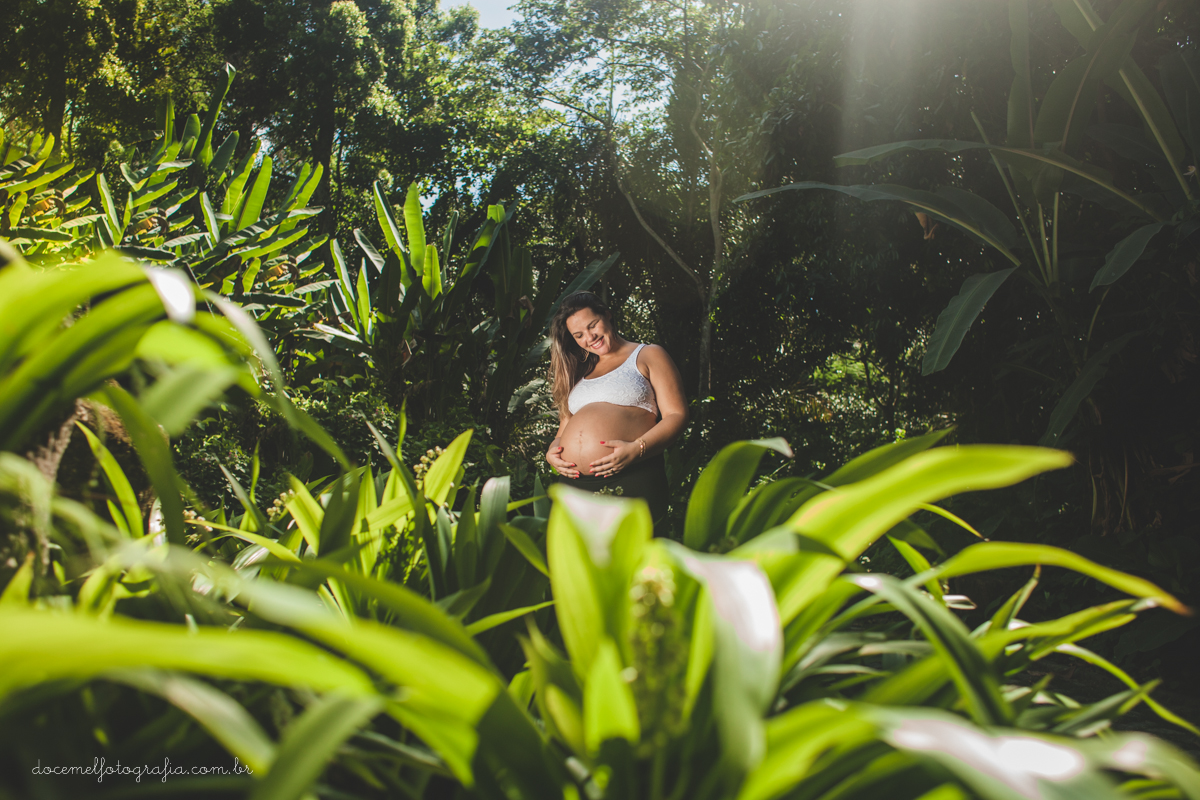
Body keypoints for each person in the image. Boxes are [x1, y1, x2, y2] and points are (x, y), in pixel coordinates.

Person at [545, 291, 687, 522]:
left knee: (637, 555)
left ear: (607, 315)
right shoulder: (579, 372)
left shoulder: (648, 354)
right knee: (575, 557)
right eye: (579, 335)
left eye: (593, 325)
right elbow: (564, 428)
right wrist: (553, 451)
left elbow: (677, 415)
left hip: (632, 472)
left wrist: (636, 449)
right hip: (574, 484)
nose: (590, 337)